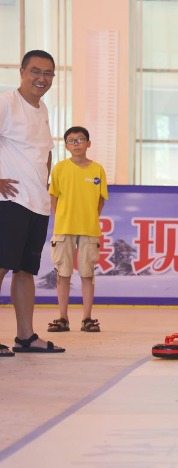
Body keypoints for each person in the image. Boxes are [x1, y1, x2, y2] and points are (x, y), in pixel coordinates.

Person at [0, 50, 65, 355]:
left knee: (25, 271)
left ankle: (25, 337)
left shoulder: (43, 109)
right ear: (22, 71)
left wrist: (45, 182)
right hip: (9, 200)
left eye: (48, 73)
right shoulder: (7, 102)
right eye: (36, 71)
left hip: (36, 202)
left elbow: (45, 152)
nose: (42, 78)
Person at [47, 126, 109, 333]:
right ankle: (62, 318)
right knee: (63, 274)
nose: (76, 144)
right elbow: (53, 196)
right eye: (71, 140)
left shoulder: (97, 169)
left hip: (89, 230)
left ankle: (87, 319)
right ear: (66, 146)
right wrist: (61, 219)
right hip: (64, 228)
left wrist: (90, 218)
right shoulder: (59, 168)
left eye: (80, 139)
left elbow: (101, 200)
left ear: (88, 143)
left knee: (87, 274)